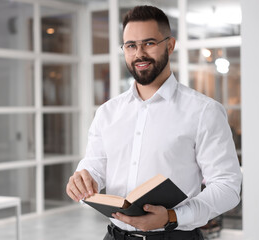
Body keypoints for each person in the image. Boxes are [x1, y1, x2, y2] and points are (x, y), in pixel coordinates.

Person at [66, 5, 242, 240]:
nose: (139, 53)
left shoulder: (203, 111)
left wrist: (172, 216)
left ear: (169, 45)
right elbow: (95, 168)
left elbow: (228, 187)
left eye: (149, 43)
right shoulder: (107, 112)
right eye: (131, 45)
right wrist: (82, 178)